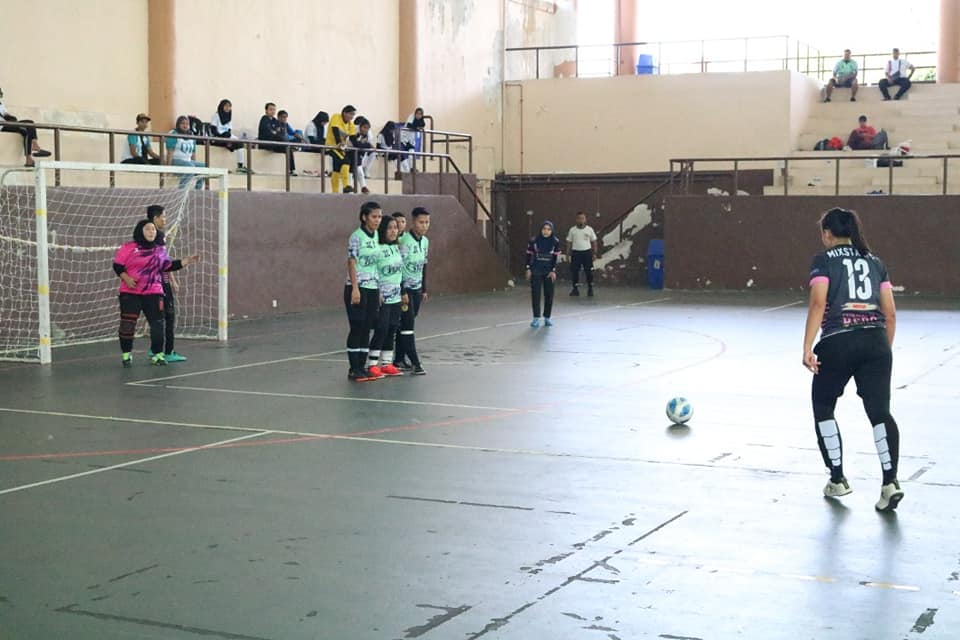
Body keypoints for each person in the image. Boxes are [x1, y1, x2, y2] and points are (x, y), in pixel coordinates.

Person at [802, 207, 903, 512]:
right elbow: (891, 313)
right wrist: (881, 350)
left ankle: (838, 479)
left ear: (827, 234)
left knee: (823, 406)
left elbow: (819, 302)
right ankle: (890, 482)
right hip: (875, 342)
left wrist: (808, 346)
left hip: (837, 340)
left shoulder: (823, 260)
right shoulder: (876, 262)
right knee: (879, 412)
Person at [113, 219, 199, 367]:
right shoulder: (128, 247)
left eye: (153, 229)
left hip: (153, 292)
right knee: (128, 325)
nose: (151, 232)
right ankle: (126, 354)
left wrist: (185, 261)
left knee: (158, 324)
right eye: (148, 229)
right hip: (130, 293)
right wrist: (126, 278)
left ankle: (158, 354)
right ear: (140, 231)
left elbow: (168, 265)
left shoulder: (159, 250)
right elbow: (117, 266)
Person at [345, 201, 383, 381]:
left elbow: (377, 264)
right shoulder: (356, 236)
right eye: (374, 217)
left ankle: (362, 366)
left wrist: (380, 290)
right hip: (358, 287)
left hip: (373, 288)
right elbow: (352, 262)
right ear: (364, 217)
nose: (377, 220)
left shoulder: (377, 236)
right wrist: (354, 288)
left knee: (367, 327)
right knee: (357, 327)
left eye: (379, 217)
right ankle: (354, 368)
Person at [145, 205, 188, 363]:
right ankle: (168, 351)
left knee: (157, 317)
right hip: (160, 284)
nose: (165, 219)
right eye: (163, 216)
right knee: (168, 317)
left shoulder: (143, 235)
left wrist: (173, 280)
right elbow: (163, 262)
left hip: (150, 283)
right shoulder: (158, 236)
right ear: (155, 218)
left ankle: (154, 348)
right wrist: (170, 281)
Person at [365, 215, 404, 378]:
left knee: (392, 327)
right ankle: (371, 364)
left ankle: (387, 363)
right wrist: (378, 292)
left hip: (396, 296)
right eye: (390, 227)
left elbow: (399, 272)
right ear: (382, 229)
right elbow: (372, 271)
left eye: (395, 227)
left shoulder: (396, 247)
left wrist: (402, 291)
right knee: (381, 328)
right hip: (382, 297)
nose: (394, 230)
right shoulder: (377, 248)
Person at [394, 207, 429, 375]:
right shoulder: (405, 242)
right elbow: (398, 267)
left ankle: (398, 359)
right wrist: (402, 291)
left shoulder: (425, 241)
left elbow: (424, 265)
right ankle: (416, 363)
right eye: (421, 222)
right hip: (405, 289)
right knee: (408, 326)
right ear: (413, 222)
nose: (424, 225)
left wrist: (424, 288)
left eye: (427, 222)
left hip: (416, 289)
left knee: (405, 325)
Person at [0, 87, 51, 167]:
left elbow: (6, 115)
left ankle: (34, 147)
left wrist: (11, 118)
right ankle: (30, 155)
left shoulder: (0, 104)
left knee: (30, 123)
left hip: (9, 123)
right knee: (26, 129)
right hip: (2, 126)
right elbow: (6, 117)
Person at [526, 221, 561, 327]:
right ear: (541, 230)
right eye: (544, 229)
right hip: (536, 270)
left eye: (549, 229)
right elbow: (528, 256)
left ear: (552, 231)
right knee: (535, 294)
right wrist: (528, 269)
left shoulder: (555, 242)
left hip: (549, 272)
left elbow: (555, 257)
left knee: (549, 295)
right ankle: (536, 318)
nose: (546, 231)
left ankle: (547, 317)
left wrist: (553, 270)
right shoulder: (534, 241)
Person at [210, 99, 250, 174]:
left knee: (240, 144)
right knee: (227, 136)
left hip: (227, 136)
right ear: (222, 106)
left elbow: (229, 130)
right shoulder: (216, 116)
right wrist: (223, 137)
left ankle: (240, 167)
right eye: (226, 106)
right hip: (217, 137)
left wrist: (228, 139)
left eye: (229, 106)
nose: (228, 108)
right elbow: (213, 130)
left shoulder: (229, 117)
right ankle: (229, 144)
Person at [165, 115, 206, 189]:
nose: (185, 125)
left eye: (187, 124)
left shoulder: (191, 135)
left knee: (204, 167)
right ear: (178, 124)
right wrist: (169, 168)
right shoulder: (173, 133)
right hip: (175, 160)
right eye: (183, 123)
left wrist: (194, 163)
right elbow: (170, 152)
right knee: (190, 167)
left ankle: (197, 190)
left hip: (188, 161)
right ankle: (181, 190)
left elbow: (193, 153)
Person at [326, 105, 358, 193]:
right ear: (344, 113)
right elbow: (335, 130)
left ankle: (335, 191)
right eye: (351, 114)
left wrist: (362, 146)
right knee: (345, 161)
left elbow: (353, 138)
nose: (352, 117)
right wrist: (339, 143)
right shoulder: (336, 117)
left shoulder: (351, 124)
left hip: (341, 148)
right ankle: (346, 185)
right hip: (332, 146)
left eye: (353, 115)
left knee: (336, 168)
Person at [566, 211, 598, 297]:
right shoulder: (572, 230)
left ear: (585, 219)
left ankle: (590, 289)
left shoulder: (589, 229)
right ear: (576, 220)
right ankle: (575, 289)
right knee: (575, 271)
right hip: (576, 253)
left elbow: (594, 241)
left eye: (582, 218)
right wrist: (567, 254)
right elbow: (569, 242)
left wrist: (595, 253)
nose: (581, 220)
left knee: (589, 271)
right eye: (579, 218)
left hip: (587, 253)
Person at [258, 102, 296, 175]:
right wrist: (275, 132)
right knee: (280, 138)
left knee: (288, 149)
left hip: (275, 143)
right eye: (270, 109)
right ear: (266, 111)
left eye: (274, 110)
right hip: (266, 143)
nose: (272, 111)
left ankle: (291, 170)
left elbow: (279, 132)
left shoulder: (275, 121)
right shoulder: (264, 119)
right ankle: (288, 144)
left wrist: (277, 132)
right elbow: (270, 132)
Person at [350, 116, 375, 194]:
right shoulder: (353, 132)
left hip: (356, 155)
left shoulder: (366, 136)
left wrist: (367, 145)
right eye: (364, 127)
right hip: (347, 153)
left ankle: (363, 187)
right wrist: (368, 145)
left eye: (367, 128)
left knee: (360, 171)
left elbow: (362, 147)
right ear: (360, 127)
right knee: (350, 173)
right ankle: (350, 187)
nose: (366, 130)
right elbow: (357, 145)